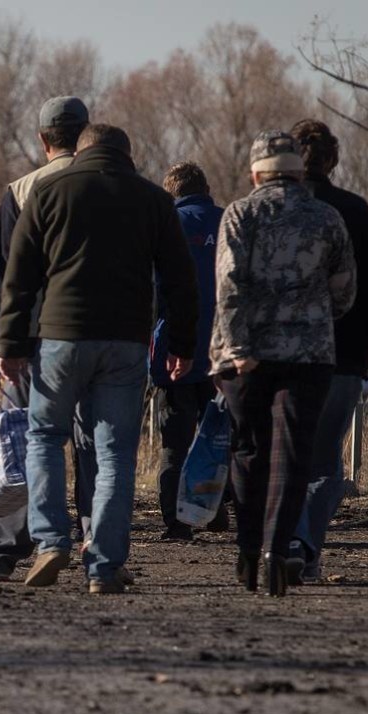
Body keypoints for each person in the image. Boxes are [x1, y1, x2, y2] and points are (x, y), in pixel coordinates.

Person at [0, 125, 198, 594]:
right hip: (125, 342)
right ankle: (104, 564)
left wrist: (9, 344)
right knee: (114, 452)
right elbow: (180, 280)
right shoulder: (153, 200)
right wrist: (183, 346)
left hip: (60, 339)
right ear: (127, 154)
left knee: (46, 437)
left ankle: (50, 542)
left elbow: (19, 275)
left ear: (81, 151)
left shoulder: (49, 191)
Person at [211, 130, 356, 596]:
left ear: (255, 173)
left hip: (247, 356)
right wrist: (310, 317)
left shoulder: (240, 213)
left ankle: (249, 550)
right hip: (309, 354)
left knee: (248, 450)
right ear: (298, 171)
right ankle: (279, 551)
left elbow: (229, 285)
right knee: (294, 455)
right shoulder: (328, 217)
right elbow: (344, 291)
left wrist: (237, 349)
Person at [0, 95, 92, 583]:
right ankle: (94, 542)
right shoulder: (112, 186)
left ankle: (1, 554)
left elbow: (2, 280)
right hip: (99, 335)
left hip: (31, 340)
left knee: (24, 443)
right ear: (86, 133)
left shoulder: (20, 191)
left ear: (42, 140)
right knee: (93, 444)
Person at [286, 120, 368, 583]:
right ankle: (307, 546)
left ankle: (292, 541)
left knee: (286, 451)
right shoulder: (357, 212)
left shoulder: (278, 210)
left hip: (285, 353)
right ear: (333, 159)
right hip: (346, 351)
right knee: (325, 461)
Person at [152, 162, 226, 541]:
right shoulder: (229, 221)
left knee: (174, 441)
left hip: (174, 350)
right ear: (206, 187)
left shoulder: (166, 226)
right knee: (219, 435)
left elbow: (154, 290)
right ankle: (216, 511)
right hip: (224, 351)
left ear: (171, 193)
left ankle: (177, 522)